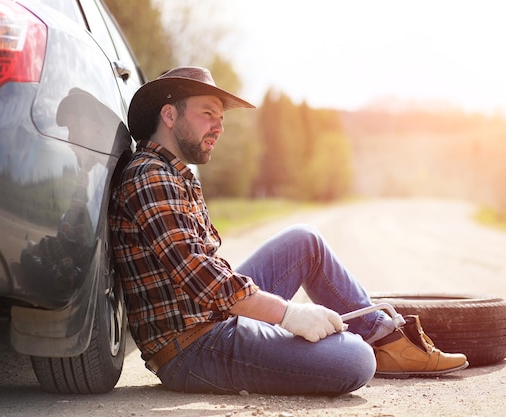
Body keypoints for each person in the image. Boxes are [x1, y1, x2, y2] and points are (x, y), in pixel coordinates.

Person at [109, 66, 468, 396]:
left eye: (221, 118)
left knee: (305, 240)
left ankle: (388, 341)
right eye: (207, 114)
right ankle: (373, 349)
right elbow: (202, 278)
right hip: (192, 348)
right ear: (169, 115)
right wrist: (288, 315)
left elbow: (211, 281)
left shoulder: (174, 174)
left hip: (211, 318)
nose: (219, 126)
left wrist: (270, 313)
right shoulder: (150, 176)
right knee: (357, 361)